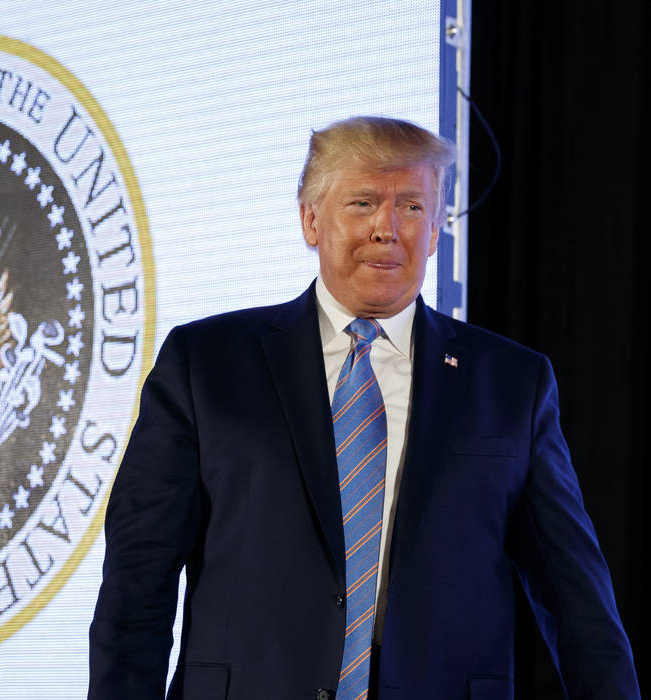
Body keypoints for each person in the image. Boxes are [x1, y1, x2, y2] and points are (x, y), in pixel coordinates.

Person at [88, 116, 638, 699]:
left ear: (435, 229)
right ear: (310, 219)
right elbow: (137, 581)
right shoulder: (205, 364)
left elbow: (577, 602)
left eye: (411, 206)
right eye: (362, 202)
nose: (387, 228)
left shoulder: (511, 383)